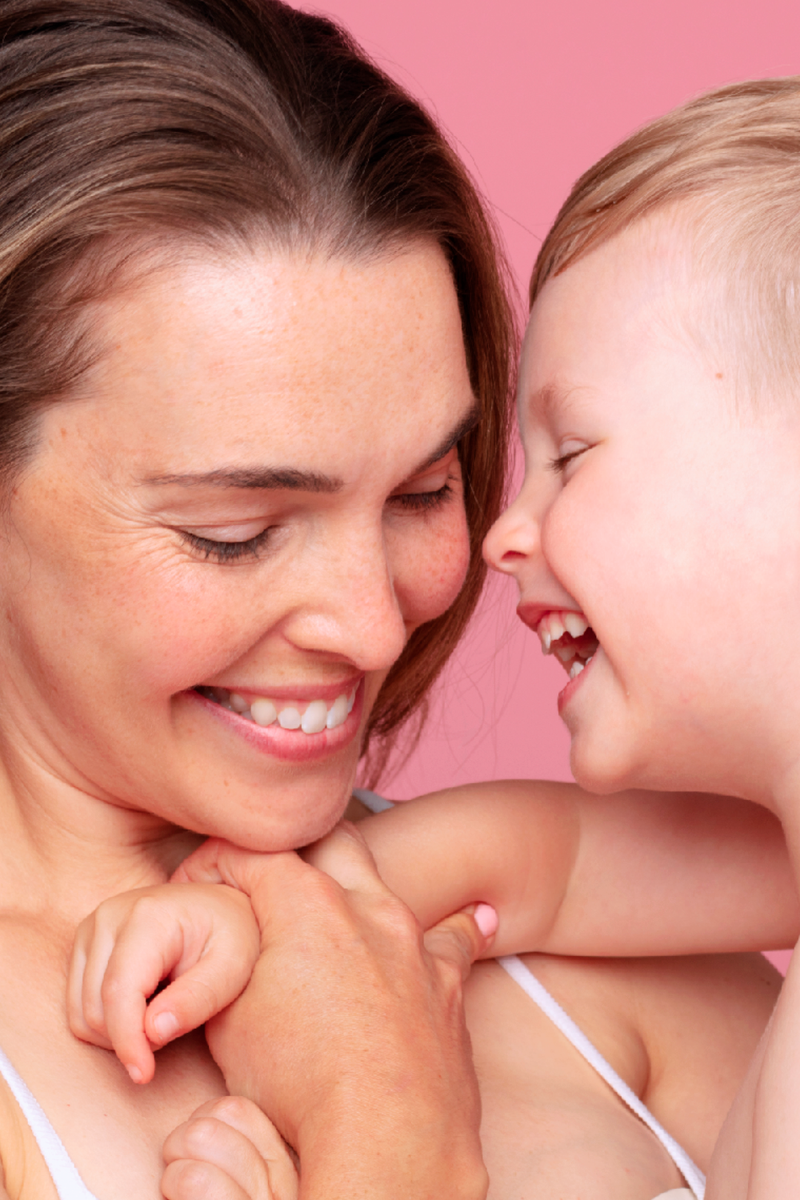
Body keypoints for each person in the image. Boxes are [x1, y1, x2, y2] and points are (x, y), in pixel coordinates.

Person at [0, 2, 785, 1197]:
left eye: (424, 491)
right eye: (236, 535)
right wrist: (390, 1140)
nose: (377, 625)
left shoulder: (625, 942)